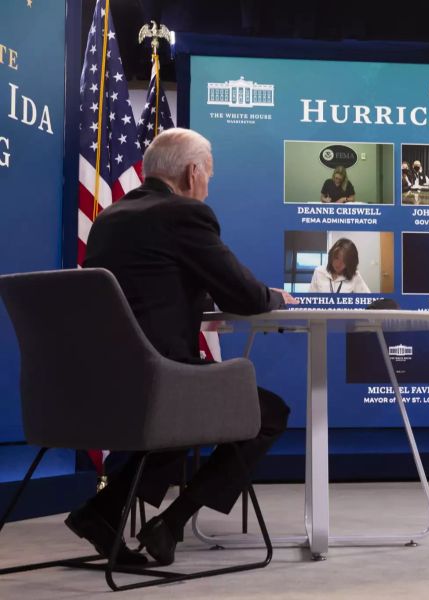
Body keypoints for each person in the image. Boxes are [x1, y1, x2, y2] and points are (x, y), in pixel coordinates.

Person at [72, 128, 299, 567]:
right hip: (161, 384)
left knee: (190, 416)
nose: (208, 185)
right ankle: (171, 524)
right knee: (267, 414)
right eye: (208, 175)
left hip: (105, 385)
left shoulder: (110, 218)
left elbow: (150, 287)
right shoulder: (182, 214)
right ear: (193, 172)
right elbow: (247, 298)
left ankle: (101, 511)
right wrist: (277, 296)